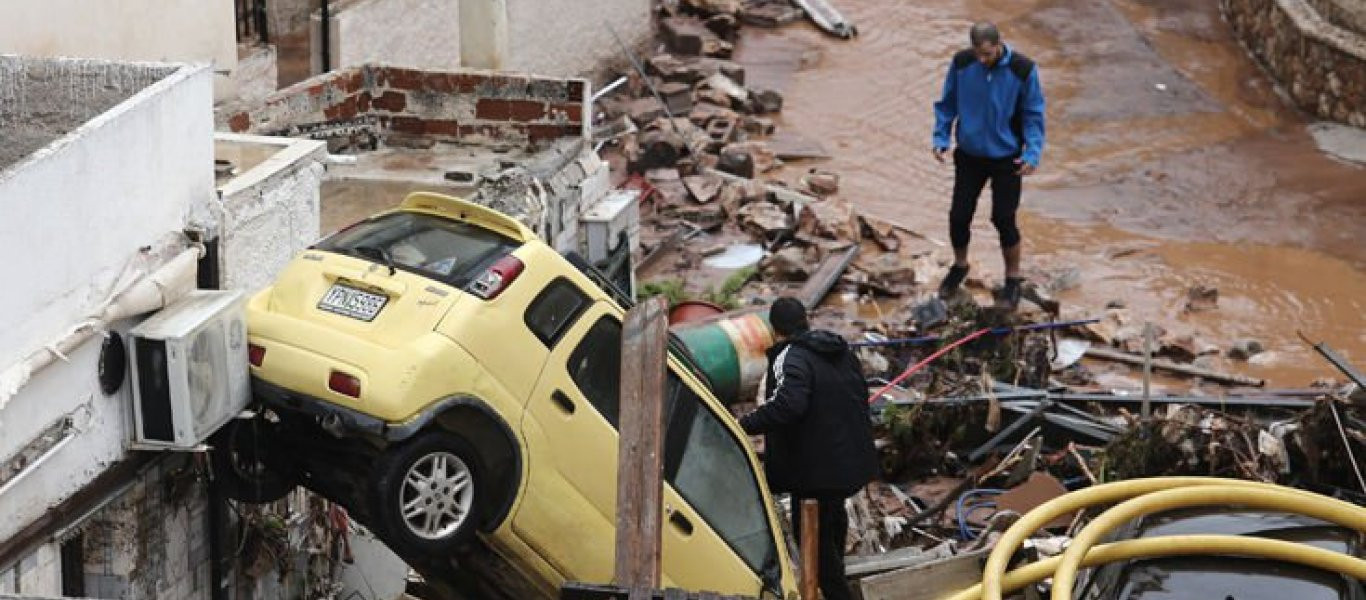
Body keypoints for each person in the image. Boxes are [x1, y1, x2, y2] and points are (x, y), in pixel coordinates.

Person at [740, 297, 877, 600]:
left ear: (775, 330)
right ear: (806, 320)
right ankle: (836, 579)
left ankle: (837, 593)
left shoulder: (791, 356)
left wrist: (744, 424)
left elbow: (790, 404)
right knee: (834, 519)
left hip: (815, 469)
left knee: (813, 544)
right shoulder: (841, 351)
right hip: (848, 461)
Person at [932, 21, 1046, 309]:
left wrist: (1032, 154)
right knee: (959, 215)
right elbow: (947, 104)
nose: (983, 60)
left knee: (1003, 219)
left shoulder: (1023, 70)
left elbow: (1033, 116)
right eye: (978, 54)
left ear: (999, 44)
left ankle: (1012, 279)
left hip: (1007, 158)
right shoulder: (961, 64)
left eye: (988, 54)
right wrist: (941, 136)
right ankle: (960, 265)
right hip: (969, 155)